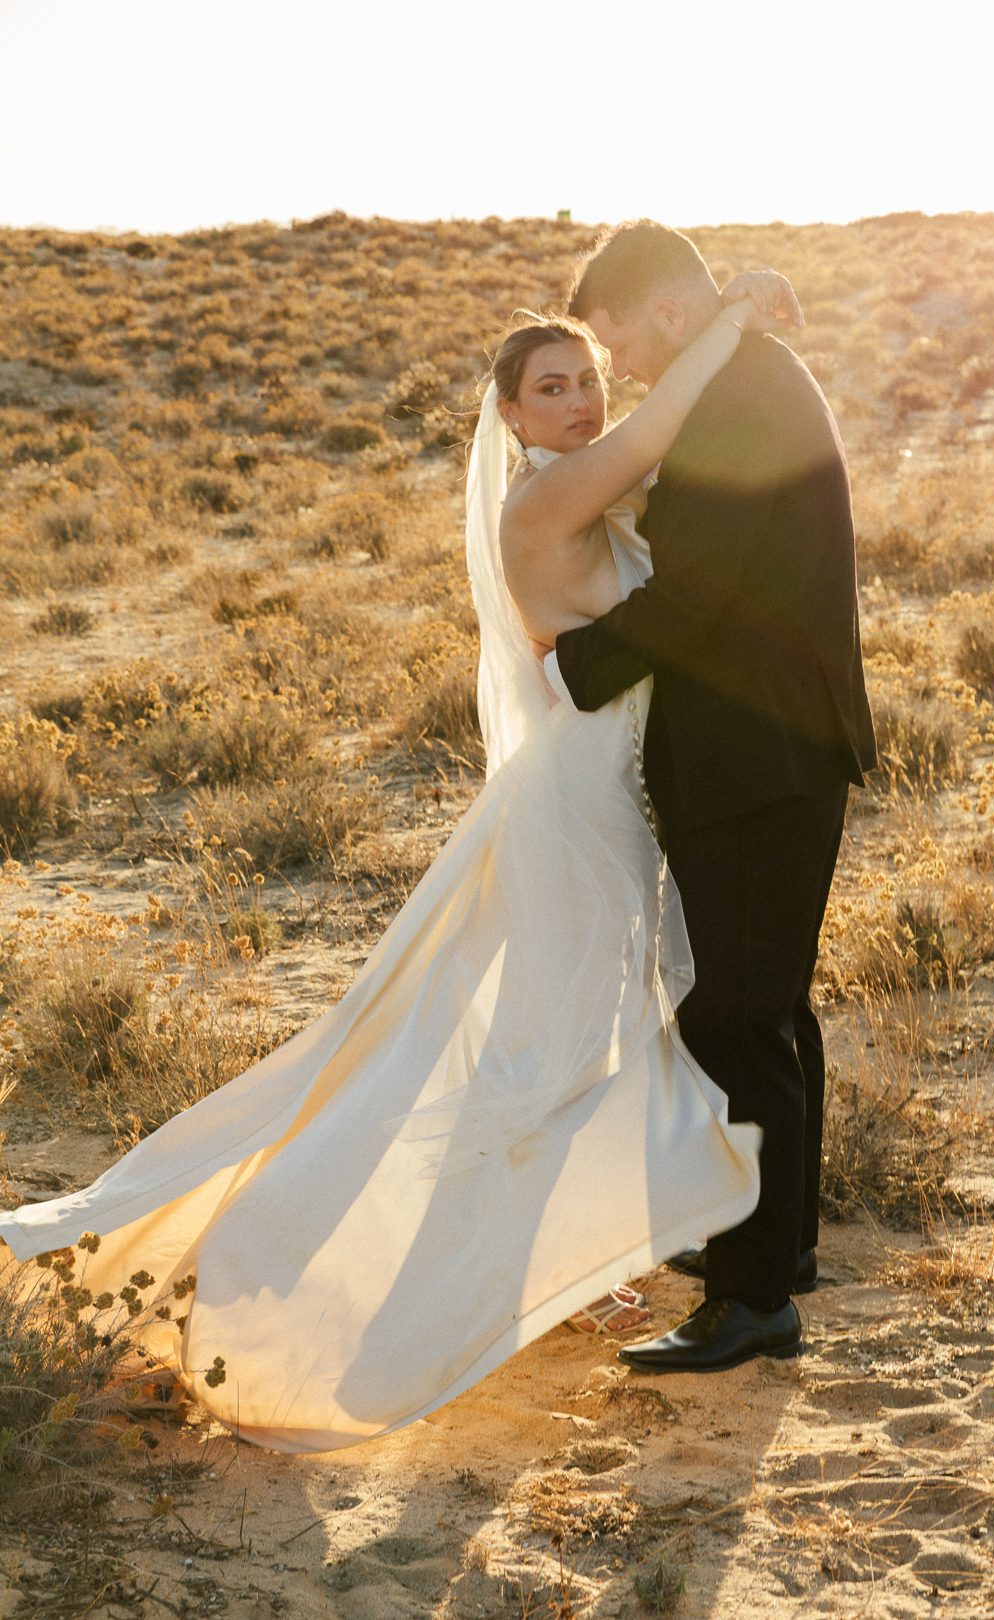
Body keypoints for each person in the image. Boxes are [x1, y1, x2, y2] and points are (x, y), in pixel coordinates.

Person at [0, 274, 794, 1451]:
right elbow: (658, 433)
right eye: (551, 389)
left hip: (611, 803)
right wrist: (728, 317)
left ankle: (547, 1261)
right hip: (576, 813)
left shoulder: (589, 485)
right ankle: (436, 1284)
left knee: (573, 1032)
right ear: (511, 415)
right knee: (553, 1044)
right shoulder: (549, 497)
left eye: (589, 380)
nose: (580, 402)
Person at [545, 221, 877, 1373]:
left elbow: (695, 599)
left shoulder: (738, 401)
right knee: (769, 1007)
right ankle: (779, 1249)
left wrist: (565, 672)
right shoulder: (743, 374)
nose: (620, 365)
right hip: (776, 749)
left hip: (755, 760)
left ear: (673, 314)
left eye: (620, 340)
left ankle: (751, 1305)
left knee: (736, 1019)